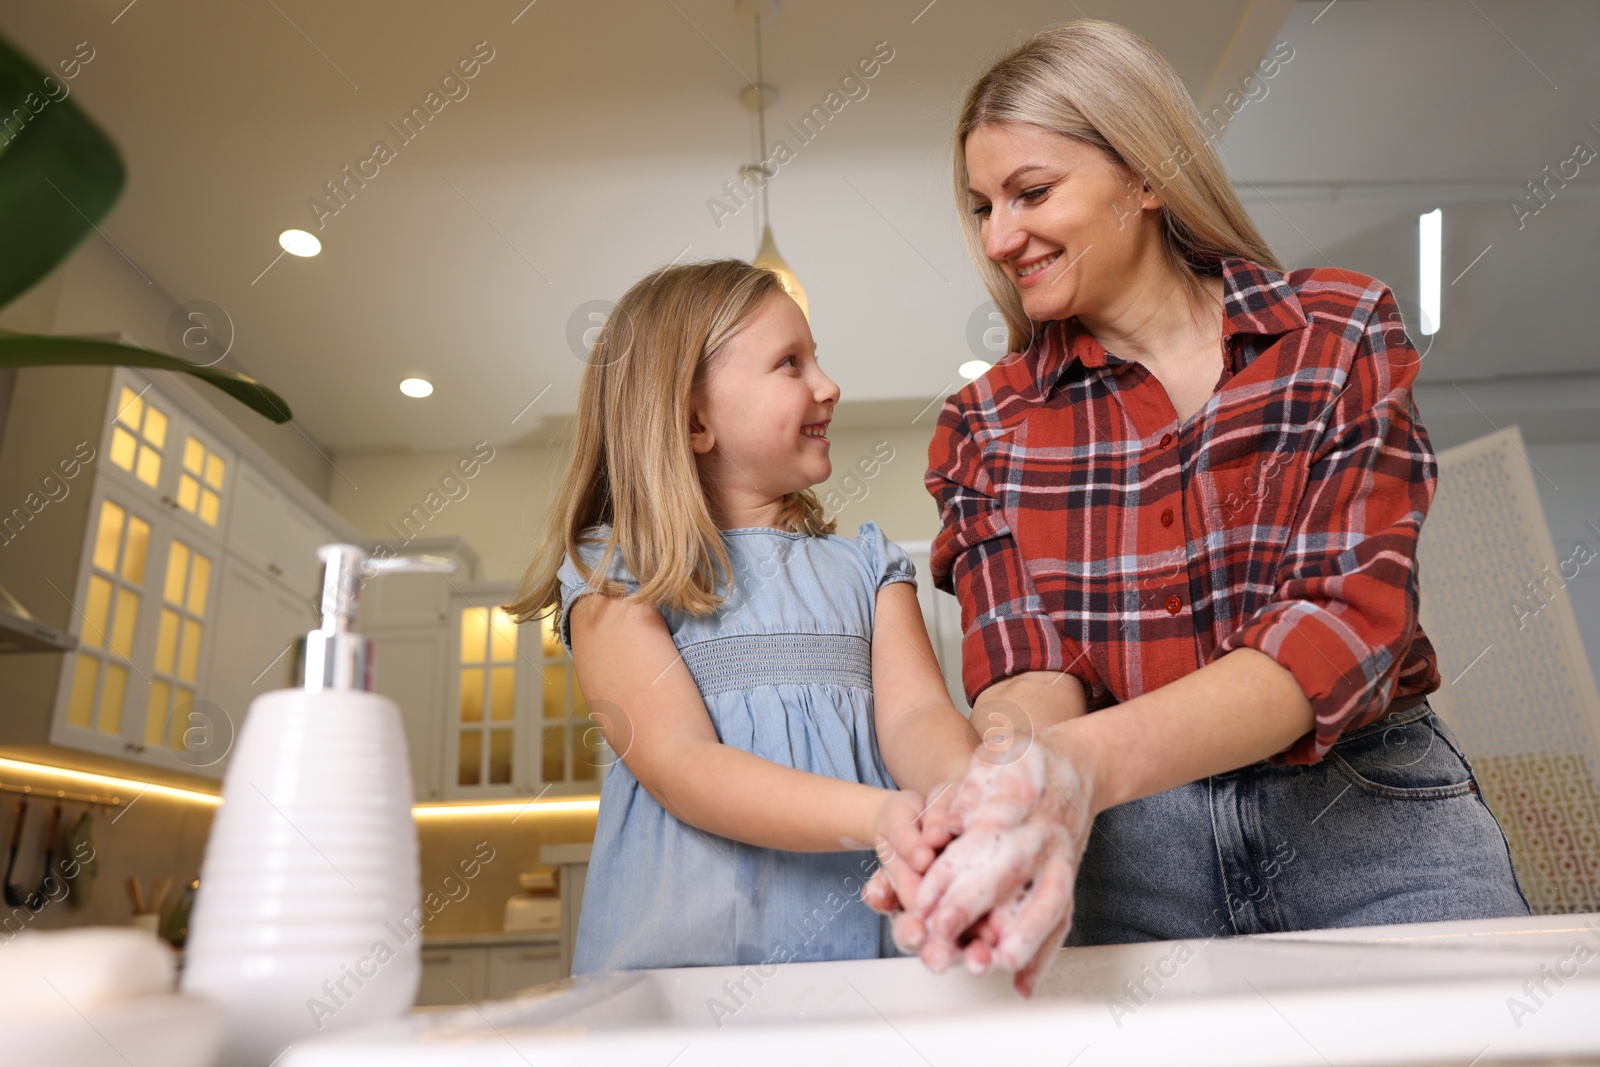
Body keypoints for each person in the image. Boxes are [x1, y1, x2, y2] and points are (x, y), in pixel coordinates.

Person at [863, 19, 1530, 995]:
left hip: (1365, 819)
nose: (999, 236)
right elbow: (1026, 666)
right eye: (981, 206)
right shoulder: (986, 422)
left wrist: (1075, 766)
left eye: (1030, 192)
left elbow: (1340, 628)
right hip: (1132, 852)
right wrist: (1008, 791)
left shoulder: (1335, 335)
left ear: (1144, 173)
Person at [504, 260, 979, 974]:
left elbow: (917, 716)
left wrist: (966, 796)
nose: (829, 385)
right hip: (682, 979)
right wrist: (879, 816)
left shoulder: (869, 568)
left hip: (864, 964)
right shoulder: (614, 572)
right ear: (696, 420)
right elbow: (681, 763)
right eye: (792, 363)